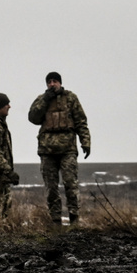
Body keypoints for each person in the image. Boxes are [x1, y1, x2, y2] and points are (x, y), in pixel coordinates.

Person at [28, 71, 90, 226]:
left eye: (55, 81)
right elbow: (33, 118)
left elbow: (81, 121)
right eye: (49, 81)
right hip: (47, 150)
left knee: (71, 184)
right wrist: (45, 101)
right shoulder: (41, 99)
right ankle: (56, 222)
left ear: (60, 83)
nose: (52, 84)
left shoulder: (71, 98)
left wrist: (85, 142)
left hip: (67, 149)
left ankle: (74, 220)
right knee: (51, 188)